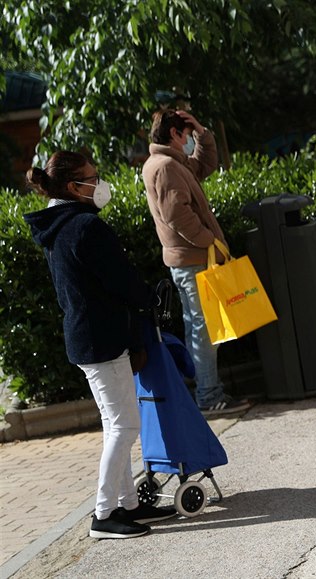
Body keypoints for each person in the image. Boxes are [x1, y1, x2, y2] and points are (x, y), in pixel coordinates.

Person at [25, 152, 178, 539]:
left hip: (87, 336)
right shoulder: (84, 228)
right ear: (74, 187)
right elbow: (120, 280)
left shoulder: (57, 226)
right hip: (101, 339)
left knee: (116, 423)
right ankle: (104, 513)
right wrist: (149, 299)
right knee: (125, 425)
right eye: (93, 178)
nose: (100, 184)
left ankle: (127, 503)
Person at [142, 110, 249, 416]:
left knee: (201, 327)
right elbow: (178, 216)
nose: (189, 139)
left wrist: (202, 131)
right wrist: (209, 241)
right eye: (187, 134)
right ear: (175, 134)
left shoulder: (171, 163)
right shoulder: (164, 167)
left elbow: (205, 165)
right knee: (203, 330)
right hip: (194, 260)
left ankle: (208, 392)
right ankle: (209, 395)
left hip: (193, 260)